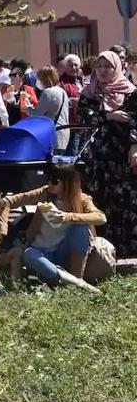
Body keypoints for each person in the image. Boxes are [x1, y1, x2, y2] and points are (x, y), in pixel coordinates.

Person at [0, 165, 105, 293]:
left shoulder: (82, 199)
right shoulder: (44, 193)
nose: (49, 184)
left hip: (64, 253)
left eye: (54, 181)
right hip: (42, 253)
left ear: (67, 183)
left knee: (80, 228)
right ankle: (76, 284)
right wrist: (1, 232)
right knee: (28, 254)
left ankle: (76, 277)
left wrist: (68, 217)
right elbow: (8, 201)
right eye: (48, 179)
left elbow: (101, 218)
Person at [78, 51, 137, 255]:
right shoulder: (89, 92)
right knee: (98, 199)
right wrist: (109, 115)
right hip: (97, 156)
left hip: (122, 154)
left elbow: (135, 121)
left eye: (108, 66)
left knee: (124, 200)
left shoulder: (130, 91)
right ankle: (100, 249)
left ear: (117, 68)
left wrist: (134, 146)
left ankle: (126, 248)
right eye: (99, 66)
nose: (103, 71)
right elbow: (85, 118)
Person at [33, 65, 71, 152]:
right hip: (63, 132)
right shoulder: (61, 91)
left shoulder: (47, 92)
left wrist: (28, 108)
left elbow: (37, 114)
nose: (37, 81)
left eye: (39, 78)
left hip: (52, 134)